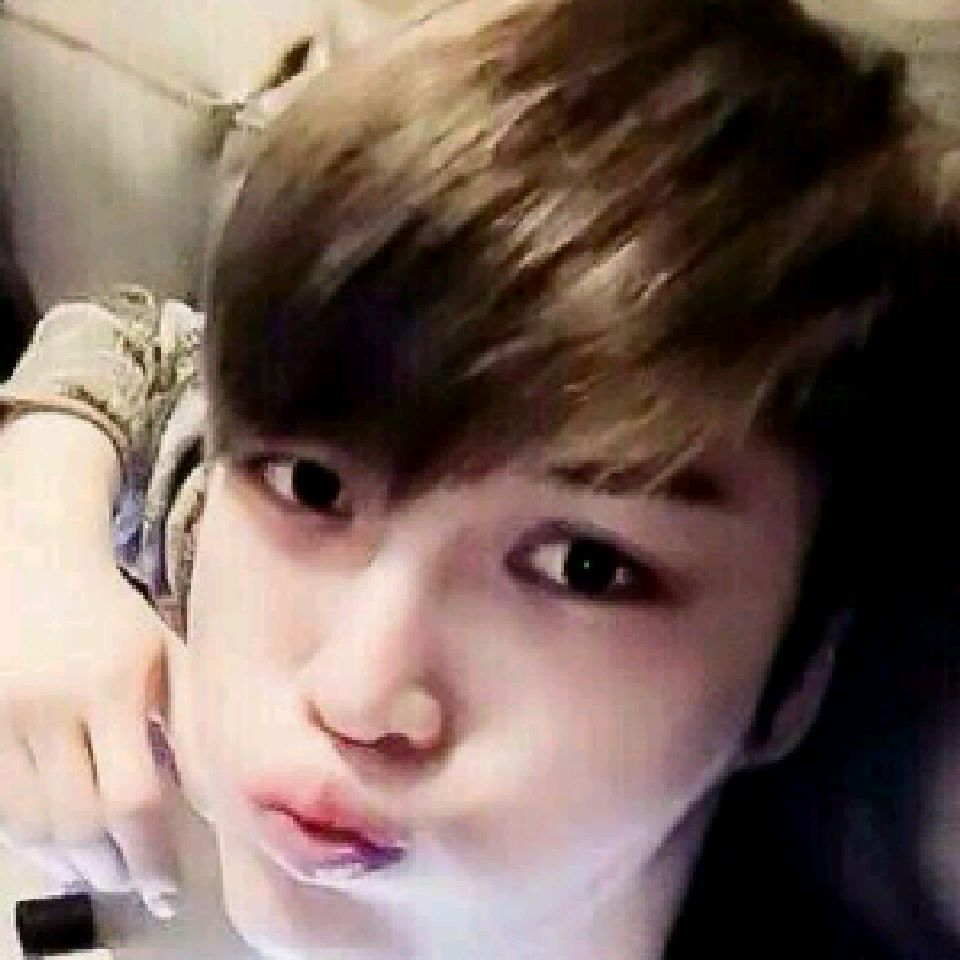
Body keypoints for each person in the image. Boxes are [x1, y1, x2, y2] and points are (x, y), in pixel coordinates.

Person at [1, 0, 958, 956]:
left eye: (584, 567)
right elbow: (149, 356)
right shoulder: (211, 521)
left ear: (795, 679)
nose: (355, 694)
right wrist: (40, 533)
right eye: (316, 485)